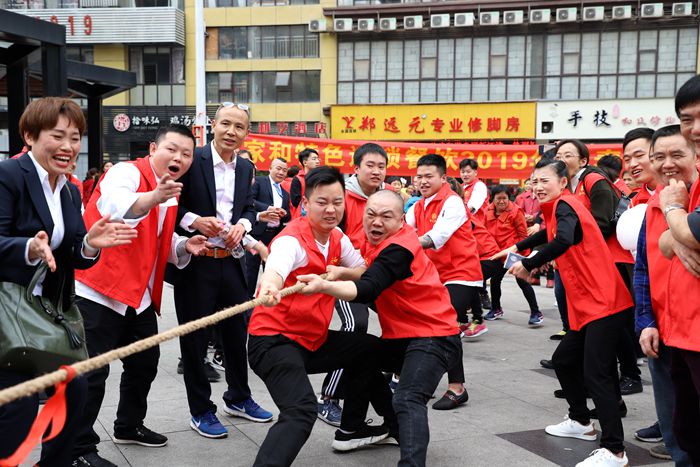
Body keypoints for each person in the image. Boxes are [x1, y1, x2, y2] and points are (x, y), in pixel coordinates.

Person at [0, 97, 136, 466]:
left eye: (75, 138)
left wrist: (91, 244)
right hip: (7, 318)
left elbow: (72, 252)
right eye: (57, 136)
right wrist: (28, 247)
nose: (68, 147)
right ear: (29, 135)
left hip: (46, 317)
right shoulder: (9, 176)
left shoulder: (70, 189)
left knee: (74, 391)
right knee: (18, 409)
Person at [72, 125, 210, 467]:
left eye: (186, 154)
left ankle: (128, 424)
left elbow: (154, 238)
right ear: (153, 147)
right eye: (172, 149)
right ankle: (77, 451)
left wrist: (182, 245)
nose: (178, 158)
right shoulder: (125, 172)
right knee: (91, 374)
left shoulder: (170, 192)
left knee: (144, 363)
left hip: (138, 295)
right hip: (98, 289)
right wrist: (153, 198)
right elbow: (119, 207)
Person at [299, 189, 462, 466]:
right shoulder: (377, 241)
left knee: (408, 398)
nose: (377, 222)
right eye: (371, 215)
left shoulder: (401, 247)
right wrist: (342, 272)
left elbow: (371, 285)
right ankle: (354, 430)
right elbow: (369, 270)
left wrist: (326, 286)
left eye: (386, 216)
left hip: (435, 335)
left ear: (402, 221)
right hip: (404, 336)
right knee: (360, 352)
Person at [248, 167, 395, 466]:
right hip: (275, 342)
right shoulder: (292, 240)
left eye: (337, 201)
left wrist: (339, 272)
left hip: (313, 340)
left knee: (368, 349)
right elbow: (276, 269)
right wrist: (272, 287)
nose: (331, 209)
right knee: (301, 410)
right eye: (322, 202)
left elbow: (363, 270)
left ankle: (369, 427)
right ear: (305, 204)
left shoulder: (337, 237)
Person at [494, 158, 634, 467]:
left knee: (596, 374)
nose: (539, 186)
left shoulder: (565, 205)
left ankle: (615, 450)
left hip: (604, 302)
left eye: (545, 180)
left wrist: (528, 263)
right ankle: (581, 422)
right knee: (564, 361)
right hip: (589, 305)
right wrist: (516, 247)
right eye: (535, 181)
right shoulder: (558, 209)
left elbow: (564, 239)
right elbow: (546, 234)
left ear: (562, 183)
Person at [169, 102, 273, 440]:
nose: (231, 131)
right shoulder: (192, 159)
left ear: (246, 133)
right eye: (225, 124)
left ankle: (239, 397)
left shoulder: (246, 169)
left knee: (234, 334)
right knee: (195, 340)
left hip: (231, 261)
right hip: (196, 261)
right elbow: (171, 201)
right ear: (213, 125)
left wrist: (243, 225)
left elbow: (246, 209)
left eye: (239, 127)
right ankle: (201, 410)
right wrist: (192, 221)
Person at [554, 139, 642, 396]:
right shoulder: (568, 186)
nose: (561, 159)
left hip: (612, 260)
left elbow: (601, 224)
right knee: (591, 319)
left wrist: (571, 245)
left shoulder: (593, 180)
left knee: (616, 322)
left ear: (583, 160)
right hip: (589, 262)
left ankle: (630, 375)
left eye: (567, 154)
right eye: (558, 154)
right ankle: (588, 377)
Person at [318, 143, 393, 426]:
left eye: (381, 166)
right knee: (355, 325)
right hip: (342, 275)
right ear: (356, 167)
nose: (376, 171)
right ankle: (329, 398)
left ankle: (391, 378)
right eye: (370, 165)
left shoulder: (386, 200)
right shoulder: (342, 199)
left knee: (397, 319)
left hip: (373, 276)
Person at [633, 125, 693, 465]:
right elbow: (643, 269)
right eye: (659, 157)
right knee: (676, 429)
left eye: (677, 155)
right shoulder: (656, 203)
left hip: (693, 333)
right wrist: (645, 321)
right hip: (662, 331)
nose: (667, 164)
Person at [404, 154, 481, 411]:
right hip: (435, 276)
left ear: (442, 178)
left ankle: (457, 387)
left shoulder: (453, 202)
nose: (423, 181)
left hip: (462, 274)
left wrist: (403, 245)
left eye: (429, 176)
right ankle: (406, 374)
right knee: (433, 325)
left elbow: (438, 236)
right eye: (420, 177)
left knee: (445, 325)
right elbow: (404, 230)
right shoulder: (417, 206)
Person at [657, 75, 700, 465]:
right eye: (688, 118)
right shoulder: (681, 192)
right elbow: (664, 245)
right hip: (677, 329)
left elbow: (688, 233)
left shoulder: (674, 197)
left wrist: (676, 216)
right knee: (686, 431)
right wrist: (679, 230)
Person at [484, 185, 542, 325]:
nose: (502, 201)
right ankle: (496, 308)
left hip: (514, 253)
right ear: (493, 199)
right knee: (495, 281)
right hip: (497, 254)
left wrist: (524, 258)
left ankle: (536, 312)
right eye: (499, 198)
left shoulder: (516, 211)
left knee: (522, 281)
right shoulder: (487, 212)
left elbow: (523, 235)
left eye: (505, 198)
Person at [245, 157, 290, 299]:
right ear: (270, 168)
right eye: (278, 168)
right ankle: (245, 307)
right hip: (256, 235)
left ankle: (266, 303)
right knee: (250, 271)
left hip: (274, 237)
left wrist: (284, 213)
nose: (281, 172)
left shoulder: (285, 193)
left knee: (271, 273)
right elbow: (249, 200)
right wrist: (268, 208)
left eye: (284, 170)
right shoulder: (259, 181)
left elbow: (286, 216)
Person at [622, 128, 657, 207]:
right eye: (627, 159)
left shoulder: (681, 192)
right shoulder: (634, 202)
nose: (632, 164)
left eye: (639, 155)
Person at [289, 148, 321, 218]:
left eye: (318, 159)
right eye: (314, 159)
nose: (317, 161)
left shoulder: (320, 179)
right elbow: (295, 202)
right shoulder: (297, 180)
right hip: (302, 218)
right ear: (305, 162)